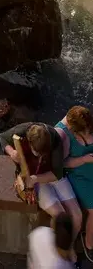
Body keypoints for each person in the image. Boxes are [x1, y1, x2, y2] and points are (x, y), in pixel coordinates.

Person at [0, 122, 81, 241]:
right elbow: (3, 138)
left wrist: (36, 179)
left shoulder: (55, 140)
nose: (39, 156)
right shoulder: (24, 130)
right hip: (33, 178)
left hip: (50, 175)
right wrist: (12, 152)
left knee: (77, 216)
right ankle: (59, 247)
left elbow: (57, 174)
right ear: (29, 141)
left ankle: (68, 246)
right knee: (60, 215)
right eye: (37, 152)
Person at [56, 106, 93, 261]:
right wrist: (83, 159)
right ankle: (89, 244)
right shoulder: (62, 134)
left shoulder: (86, 122)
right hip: (78, 176)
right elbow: (62, 164)